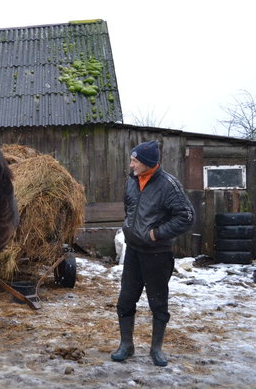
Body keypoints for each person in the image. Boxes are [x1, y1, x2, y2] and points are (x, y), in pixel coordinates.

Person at [111, 140, 194, 367]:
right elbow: (129, 207)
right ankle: (126, 345)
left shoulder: (168, 185)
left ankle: (156, 349)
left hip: (157, 254)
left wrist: (157, 234)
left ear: (147, 163)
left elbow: (186, 216)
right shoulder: (132, 181)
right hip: (134, 252)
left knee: (158, 303)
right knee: (126, 300)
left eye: (135, 161)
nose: (131, 165)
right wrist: (129, 227)